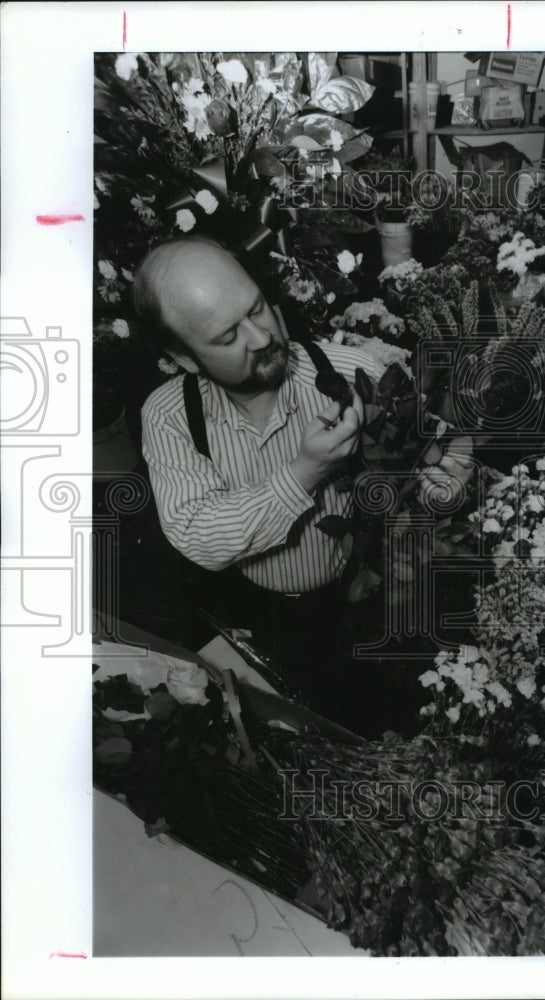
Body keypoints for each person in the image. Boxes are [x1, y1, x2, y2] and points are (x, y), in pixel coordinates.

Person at [135, 236, 385, 725]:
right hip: (259, 614)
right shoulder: (169, 416)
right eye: (228, 337)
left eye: (257, 308)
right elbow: (198, 536)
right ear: (185, 357)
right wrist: (304, 473)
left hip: (366, 603)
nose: (261, 337)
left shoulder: (354, 372)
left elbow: (430, 459)